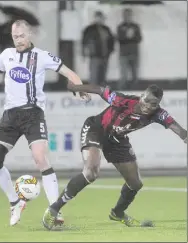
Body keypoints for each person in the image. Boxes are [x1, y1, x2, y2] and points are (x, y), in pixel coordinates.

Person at [0, 19, 90, 227]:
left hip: (33, 114)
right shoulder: (6, 55)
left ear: (30, 34)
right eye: (15, 37)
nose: (18, 40)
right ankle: (15, 202)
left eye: (22, 36)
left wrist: (80, 88)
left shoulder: (42, 57)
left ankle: (54, 211)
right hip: (10, 115)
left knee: (40, 158)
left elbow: (68, 72)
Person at [42, 82, 187, 230]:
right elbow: (99, 90)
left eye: (154, 104)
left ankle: (118, 213)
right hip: (96, 130)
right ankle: (53, 209)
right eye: (147, 100)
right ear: (142, 96)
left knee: (135, 183)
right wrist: (75, 87)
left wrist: (185, 137)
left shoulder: (159, 114)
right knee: (91, 172)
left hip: (117, 139)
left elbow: (179, 129)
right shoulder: (123, 101)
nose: (149, 106)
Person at [82, 11, 115, 85]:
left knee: (103, 75)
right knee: (94, 75)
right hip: (94, 56)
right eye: (98, 17)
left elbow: (112, 40)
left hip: (105, 55)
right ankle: (92, 91)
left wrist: (110, 51)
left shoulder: (106, 29)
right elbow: (84, 42)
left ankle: (101, 92)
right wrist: (84, 52)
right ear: (95, 18)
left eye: (101, 18)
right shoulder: (89, 29)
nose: (100, 19)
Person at [117, 8, 142, 89]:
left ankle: (135, 92)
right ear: (123, 16)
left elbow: (139, 38)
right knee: (123, 75)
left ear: (131, 16)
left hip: (134, 53)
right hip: (124, 54)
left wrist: (132, 36)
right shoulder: (120, 27)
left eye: (129, 15)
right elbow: (119, 39)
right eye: (126, 15)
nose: (127, 16)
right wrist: (127, 36)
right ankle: (121, 93)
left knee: (135, 75)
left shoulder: (136, 26)